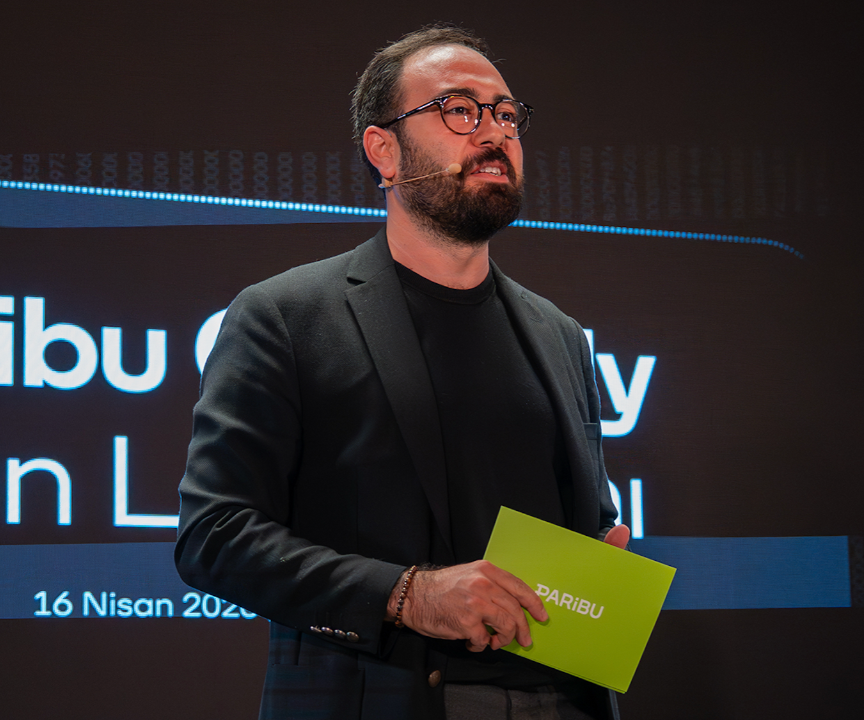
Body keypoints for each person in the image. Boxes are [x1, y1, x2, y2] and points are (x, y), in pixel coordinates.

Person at [176, 25, 627, 720]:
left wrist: (599, 563)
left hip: (564, 698)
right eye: (459, 110)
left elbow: (591, 525)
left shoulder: (560, 334)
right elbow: (215, 536)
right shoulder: (286, 317)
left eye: (507, 115)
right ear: (383, 150)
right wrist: (409, 594)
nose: (495, 132)